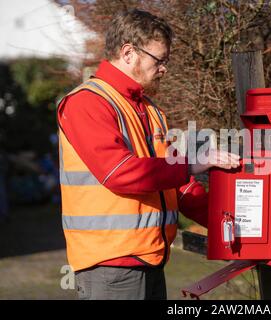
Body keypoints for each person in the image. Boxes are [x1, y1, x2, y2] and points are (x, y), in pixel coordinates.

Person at [57, 9, 239, 300]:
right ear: (129, 53)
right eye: (160, 60)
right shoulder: (86, 103)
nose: (164, 68)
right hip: (111, 265)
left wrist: (232, 225)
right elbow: (119, 173)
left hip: (148, 259)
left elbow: (177, 184)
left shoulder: (149, 109)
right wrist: (192, 164)